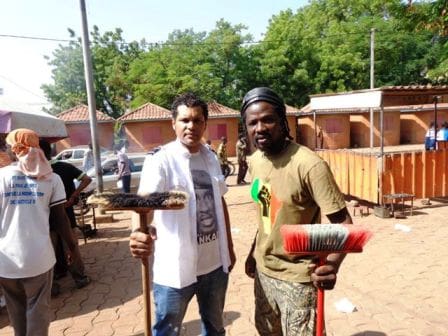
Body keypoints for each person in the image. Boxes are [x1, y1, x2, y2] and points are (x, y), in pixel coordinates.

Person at [240, 87, 353, 336]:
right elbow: (267, 213)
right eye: (253, 122)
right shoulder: (256, 160)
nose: (260, 128)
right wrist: (253, 252)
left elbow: (344, 223)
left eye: (268, 119)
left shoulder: (309, 165)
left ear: (282, 121)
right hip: (264, 273)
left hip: (299, 278)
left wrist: (332, 265)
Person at [129, 92, 236, 336]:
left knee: (215, 328)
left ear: (205, 124)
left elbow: (220, 203)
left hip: (214, 265)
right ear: (173, 123)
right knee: (167, 330)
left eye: (198, 120)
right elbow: (141, 206)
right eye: (185, 120)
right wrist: (137, 233)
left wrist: (228, 247)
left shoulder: (210, 157)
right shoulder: (160, 160)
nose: (191, 126)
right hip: (175, 267)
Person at [0, 128, 81, 336]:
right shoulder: (51, 178)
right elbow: (60, 219)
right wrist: (72, 247)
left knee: (16, 311)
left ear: (11, 150)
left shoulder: (1, 177)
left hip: (6, 262)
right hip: (40, 259)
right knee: (37, 312)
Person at [39, 139, 92, 291]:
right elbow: (86, 179)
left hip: (45, 220)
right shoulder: (64, 167)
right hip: (66, 216)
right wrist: (74, 196)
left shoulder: (34, 173)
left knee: (48, 252)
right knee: (71, 247)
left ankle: (53, 284)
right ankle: (80, 278)